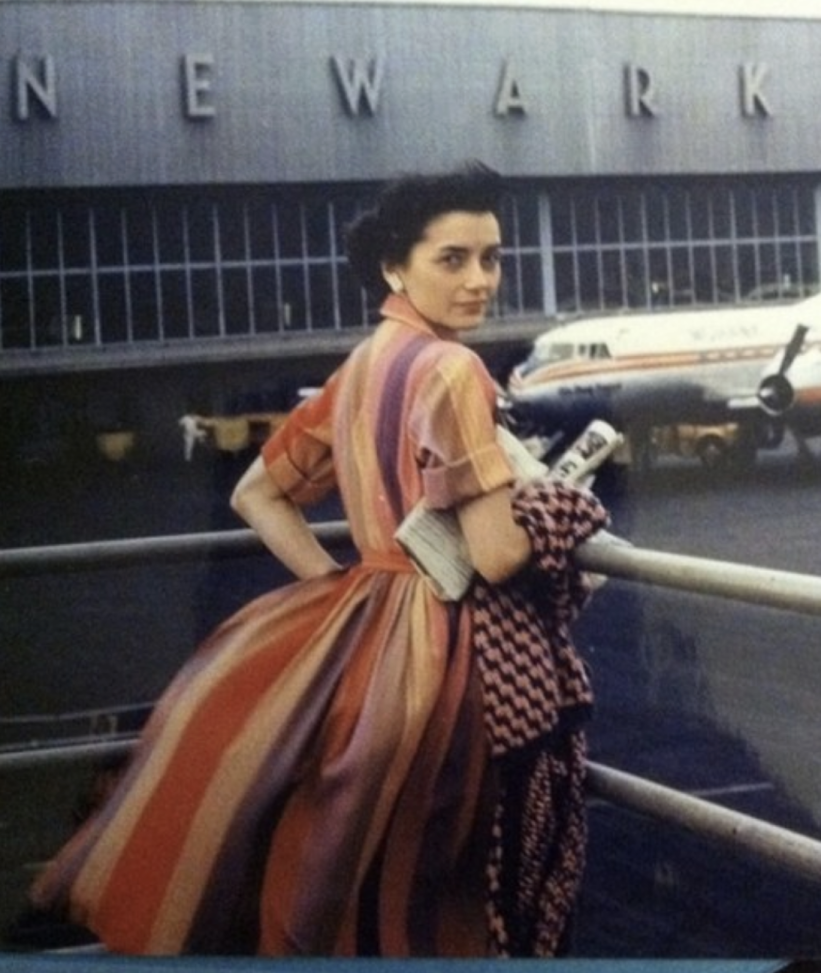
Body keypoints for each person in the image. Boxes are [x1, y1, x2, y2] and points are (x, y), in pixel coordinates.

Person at [30, 164, 608, 957]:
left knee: (350, 885)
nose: (480, 280)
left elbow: (256, 493)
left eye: (492, 257)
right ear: (394, 267)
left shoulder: (365, 363)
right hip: (445, 664)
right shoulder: (453, 368)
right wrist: (561, 501)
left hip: (367, 643)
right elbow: (501, 553)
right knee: (441, 900)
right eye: (453, 259)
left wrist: (343, 586)